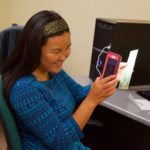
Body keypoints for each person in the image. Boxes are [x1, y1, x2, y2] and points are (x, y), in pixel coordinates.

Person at [2, 10, 119, 150]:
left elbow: (78, 93)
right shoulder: (24, 89)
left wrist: (102, 85)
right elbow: (59, 141)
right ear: (34, 50)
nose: (64, 56)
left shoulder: (53, 71)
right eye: (57, 51)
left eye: (68, 47)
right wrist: (92, 100)